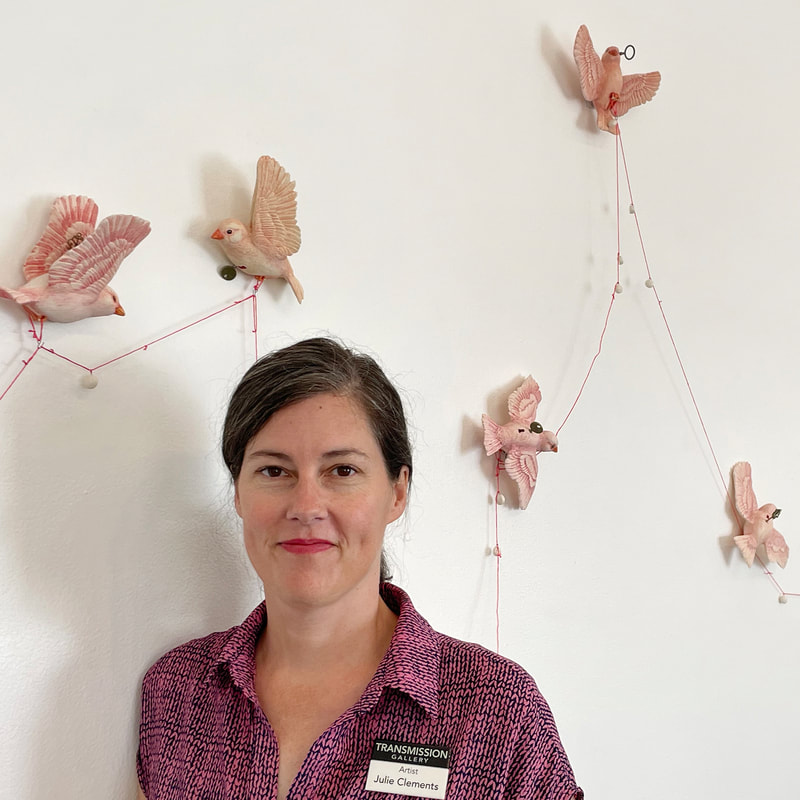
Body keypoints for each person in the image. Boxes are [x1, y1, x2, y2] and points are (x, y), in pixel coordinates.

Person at [136, 337, 582, 800]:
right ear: (238, 494)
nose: (306, 506)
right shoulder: (174, 691)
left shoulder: (497, 710)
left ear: (396, 493)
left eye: (342, 470)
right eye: (273, 470)